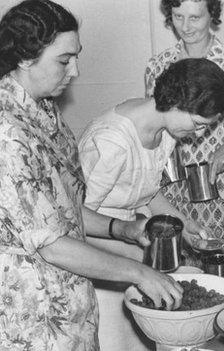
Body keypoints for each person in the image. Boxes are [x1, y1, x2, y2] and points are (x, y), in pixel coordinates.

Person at [0, 1, 183, 349]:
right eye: (64, 60)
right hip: (33, 321)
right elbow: (50, 244)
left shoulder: (43, 111)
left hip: (73, 310)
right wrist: (139, 272)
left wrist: (122, 229)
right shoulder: (6, 131)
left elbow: (62, 208)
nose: (75, 72)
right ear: (24, 57)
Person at [145, 0, 224, 240]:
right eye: (178, 16)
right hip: (175, 192)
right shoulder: (158, 66)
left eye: (195, 18)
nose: (185, 27)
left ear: (212, 14)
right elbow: (156, 125)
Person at [80, 58, 224, 241]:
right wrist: (136, 256)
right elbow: (79, 219)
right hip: (97, 238)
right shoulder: (112, 142)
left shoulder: (166, 132)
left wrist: (183, 224)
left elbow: (146, 193)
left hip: (127, 235)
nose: (199, 135)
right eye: (198, 124)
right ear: (176, 102)